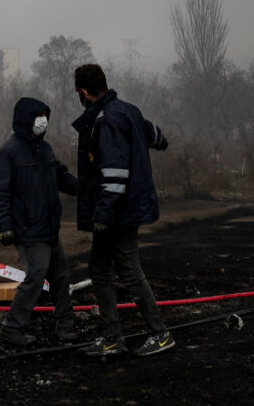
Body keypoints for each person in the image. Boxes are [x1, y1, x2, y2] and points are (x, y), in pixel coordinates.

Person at [71, 63, 173, 357]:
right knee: (99, 269)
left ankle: (160, 335)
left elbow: (115, 174)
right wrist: (156, 141)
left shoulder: (105, 120)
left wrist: (102, 215)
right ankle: (112, 338)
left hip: (119, 210)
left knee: (129, 271)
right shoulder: (128, 110)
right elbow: (156, 136)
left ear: (83, 91)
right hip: (124, 206)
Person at [0, 97, 79, 346]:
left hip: (49, 228)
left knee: (60, 277)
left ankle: (65, 324)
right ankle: (11, 329)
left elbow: (62, 176)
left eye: (45, 116)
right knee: (35, 278)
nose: (43, 121)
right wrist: (4, 226)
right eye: (39, 116)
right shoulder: (10, 152)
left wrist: (86, 187)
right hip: (28, 230)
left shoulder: (44, 149)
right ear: (26, 120)